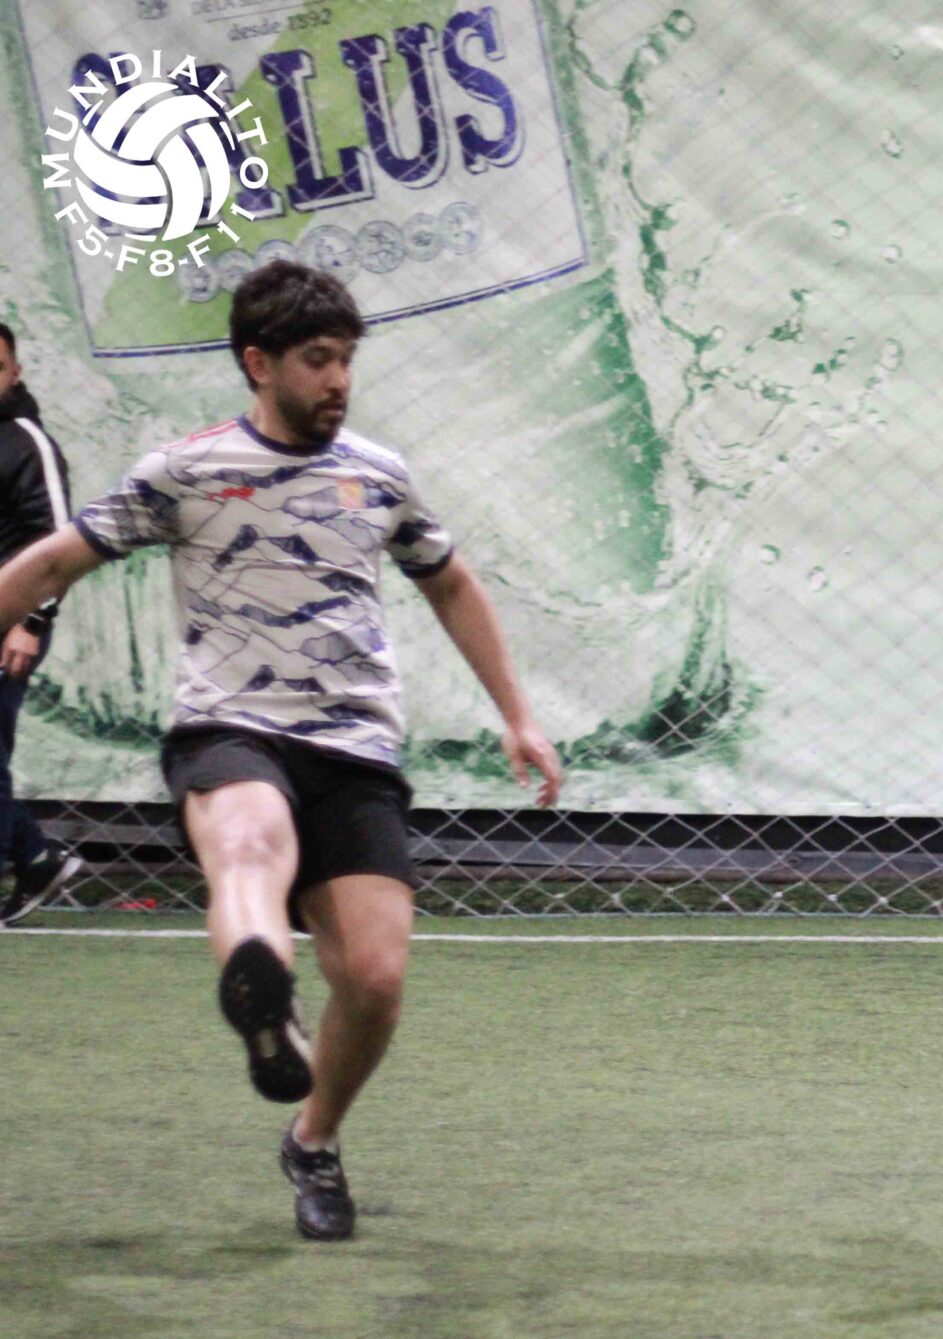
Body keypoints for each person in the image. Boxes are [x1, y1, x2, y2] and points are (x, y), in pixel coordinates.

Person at [0, 261, 563, 1241]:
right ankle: (264, 992)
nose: (338, 379)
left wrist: (518, 714)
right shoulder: (185, 470)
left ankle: (313, 1138)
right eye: (317, 360)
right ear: (258, 363)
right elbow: (53, 560)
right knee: (250, 841)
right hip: (231, 727)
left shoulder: (378, 475)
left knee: (376, 980)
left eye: (346, 359)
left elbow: (451, 583)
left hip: (353, 746)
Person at [0, 322, 85, 925]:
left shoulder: (27, 441)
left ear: (14, 373)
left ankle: (34, 859)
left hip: (10, 623)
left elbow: (59, 542)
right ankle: (34, 859)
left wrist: (29, 622)